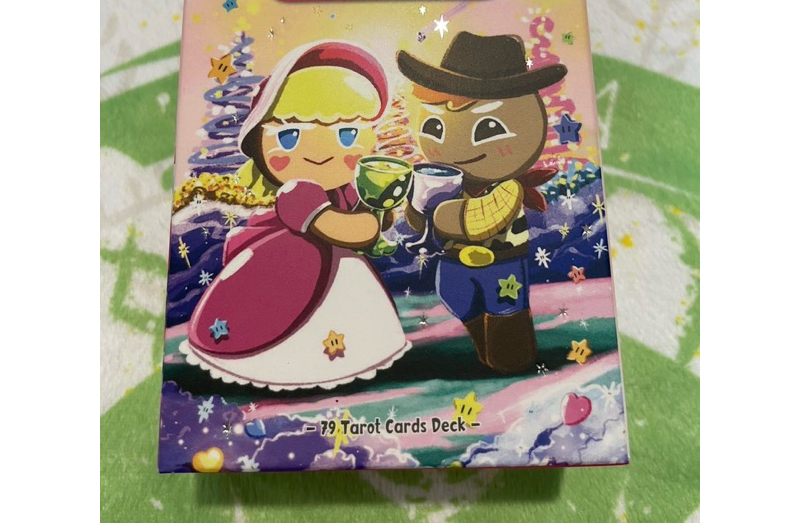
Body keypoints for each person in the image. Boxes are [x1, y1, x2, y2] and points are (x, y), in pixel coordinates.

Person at [181, 40, 410, 390]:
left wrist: (379, 210)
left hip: (337, 272)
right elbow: (343, 229)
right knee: (285, 322)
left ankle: (348, 360)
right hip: (291, 273)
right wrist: (370, 223)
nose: (320, 152)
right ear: (259, 143)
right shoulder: (297, 193)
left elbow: (364, 220)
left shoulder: (347, 189)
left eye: (347, 134)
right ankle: (285, 367)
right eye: (289, 136)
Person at [397, 31, 566, 373]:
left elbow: (479, 220)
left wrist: (440, 215)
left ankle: (510, 349)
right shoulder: (446, 178)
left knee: (505, 310)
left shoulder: (508, 187)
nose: (453, 144)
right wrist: (417, 207)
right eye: (435, 126)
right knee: (455, 297)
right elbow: (421, 222)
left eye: (488, 128)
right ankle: (482, 338)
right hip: (454, 262)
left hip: (501, 265)